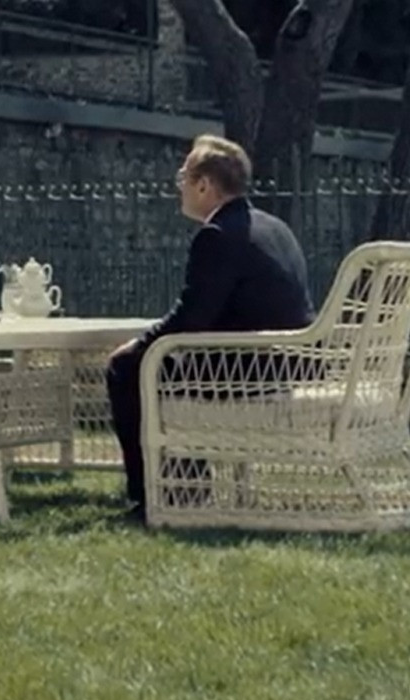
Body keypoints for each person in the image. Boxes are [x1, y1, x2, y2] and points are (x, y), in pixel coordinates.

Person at [105, 135, 317, 520]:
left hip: (248, 370)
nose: (179, 188)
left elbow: (191, 319)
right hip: (292, 362)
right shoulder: (274, 227)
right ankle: (184, 487)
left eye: (182, 178)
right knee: (165, 366)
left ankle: (154, 496)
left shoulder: (216, 236)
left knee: (127, 368)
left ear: (203, 185)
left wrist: (138, 345)